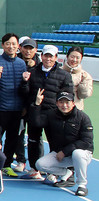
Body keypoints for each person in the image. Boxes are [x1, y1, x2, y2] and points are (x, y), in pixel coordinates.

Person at [19, 44, 73, 178]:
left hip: (54, 114)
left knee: (55, 143)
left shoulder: (64, 75)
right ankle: (34, 168)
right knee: (33, 141)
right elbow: (24, 93)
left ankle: (53, 171)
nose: (48, 59)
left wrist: (59, 109)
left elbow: (68, 95)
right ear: (41, 56)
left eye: (51, 56)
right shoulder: (32, 72)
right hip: (35, 112)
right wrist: (25, 82)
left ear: (56, 58)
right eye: (46, 55)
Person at [31, 90, 93, 196]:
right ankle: (67, 173)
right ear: (56, 103)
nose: (64, 105)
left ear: (73, 103)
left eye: (67, 102)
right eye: (61, 102)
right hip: (61, 154)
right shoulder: (51, 115)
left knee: (77, 153)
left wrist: (64, 151)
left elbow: (86, 141)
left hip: (82, 154)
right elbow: (37, 123)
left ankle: (82, 185)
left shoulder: (83, 117)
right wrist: (37, 104)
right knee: (40, 164)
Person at [0, 33, 27, 177]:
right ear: (2, 45)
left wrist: (24, 106)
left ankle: (7, 165)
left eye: (14, 44)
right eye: (8, 44)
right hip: (0, 109)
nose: (11, 46)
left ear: (18, 46)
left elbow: (23, 88)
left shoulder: (21, 64)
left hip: (17, 109)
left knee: (12, 139)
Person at [63, 46, 93, 111]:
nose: (74, 60)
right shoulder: (58, 71)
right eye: (72, 57)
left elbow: (84, 95)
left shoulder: (85, 75)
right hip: (58, 108)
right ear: (67, 56)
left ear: (81, 59)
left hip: (76, 109)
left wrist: (83, 84)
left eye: (77, 58)